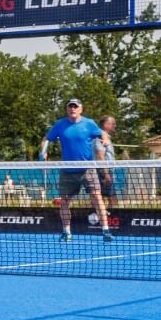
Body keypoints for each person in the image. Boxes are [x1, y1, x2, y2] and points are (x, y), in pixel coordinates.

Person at [40, 98, 110, 242]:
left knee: (97, 198)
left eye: (75, 107)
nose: (73, 109)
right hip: (67, 170)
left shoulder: (89, 123)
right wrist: (44, 151)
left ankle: (106, 231)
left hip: (88, 169)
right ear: (67, 109)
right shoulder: (60, 125)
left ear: (80, 109)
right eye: (70, 107)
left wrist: (105, 139)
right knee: (64, 201)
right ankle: (67, 232)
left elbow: (101, 133)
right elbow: (46, 139)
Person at [98, 116, 122, 210]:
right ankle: (108, 218)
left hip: (106, 170)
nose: (115, 125)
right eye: (113, 123)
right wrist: (106, 173)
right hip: (103, 171)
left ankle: (107, 217)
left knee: (107, 196)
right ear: (105, 125)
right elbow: (100, 156)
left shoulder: (106, 137)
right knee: (109, 197)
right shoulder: (100, 137)